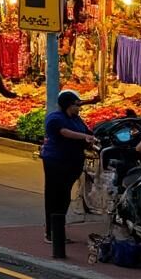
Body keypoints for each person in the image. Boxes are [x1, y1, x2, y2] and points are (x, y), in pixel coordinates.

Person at [40, 90, 95, 244]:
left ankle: (58, 230)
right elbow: (64, 132)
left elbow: (87, 132)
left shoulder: (76, 119)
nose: (79, 108)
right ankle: (52, 232)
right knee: (54, 197)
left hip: (72, 162)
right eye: (77, 105)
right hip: (56, 162)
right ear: (68, 105)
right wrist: (84, 137)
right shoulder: (55, 118)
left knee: (64, 197)